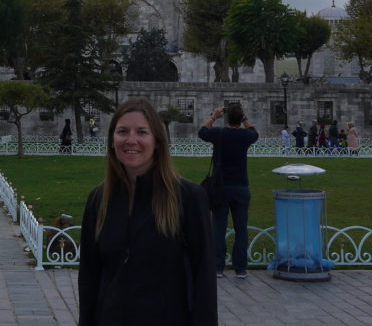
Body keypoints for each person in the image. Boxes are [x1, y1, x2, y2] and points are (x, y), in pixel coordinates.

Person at [78, 98, 216, 325]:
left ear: (157, 141)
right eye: (123, 131)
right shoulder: (98, 200)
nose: (131, 140)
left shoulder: (189, 198)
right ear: (112, 140)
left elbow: (204, 279)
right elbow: (90, 278)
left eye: (142, 132)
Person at [198, 103, 258, 279]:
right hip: (240, 186)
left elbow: (202, 132)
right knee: (241, 229)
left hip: (221, 187)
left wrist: (213, 116)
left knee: (219, 227)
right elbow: (255, 132)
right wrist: (244, 118)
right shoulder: (246, 135)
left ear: (226, 118)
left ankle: (218, 267)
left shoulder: (219, 133)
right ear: (240, 119)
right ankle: (240, 268)